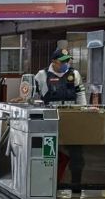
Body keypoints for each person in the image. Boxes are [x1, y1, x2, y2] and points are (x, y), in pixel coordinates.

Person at [34, 48, 87, 185]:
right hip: (49, 122)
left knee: (77, 157)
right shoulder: (41, 75)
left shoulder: (74, 74)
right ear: (53, 61)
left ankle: (76, 185)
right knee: (49, 154)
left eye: (68, 60)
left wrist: (84, 113)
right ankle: (49, 185)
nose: (66, 64)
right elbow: (34, 98)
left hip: (72, 121)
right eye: (62, 61)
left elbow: (81, 96)